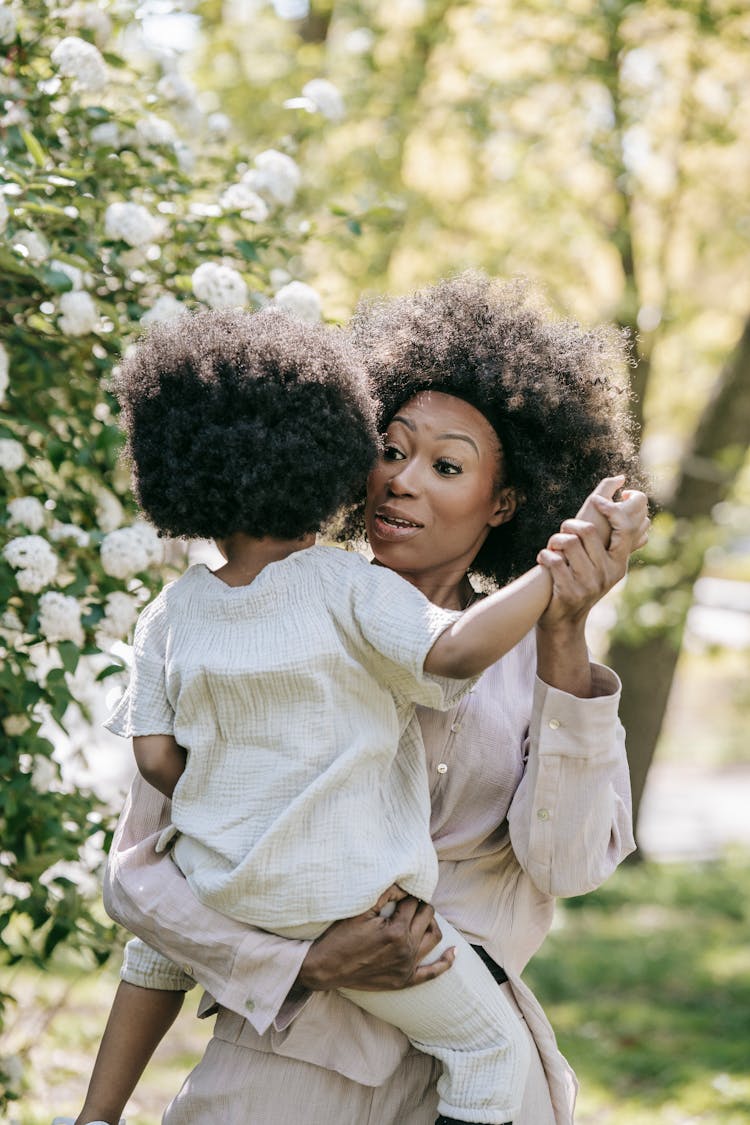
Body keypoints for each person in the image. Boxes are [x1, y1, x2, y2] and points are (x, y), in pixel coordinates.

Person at [74, 274, 648, 1125]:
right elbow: (149, 880)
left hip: (483, 1068)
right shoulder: (270, 623)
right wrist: (301, 960)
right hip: (288, 1062)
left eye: (445, 465)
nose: (401, 481)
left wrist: (564, 630)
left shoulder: (534, 660)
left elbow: (569, 865)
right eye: (390, 447)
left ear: (506, 502)